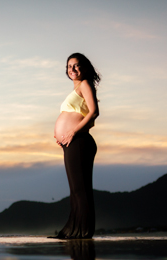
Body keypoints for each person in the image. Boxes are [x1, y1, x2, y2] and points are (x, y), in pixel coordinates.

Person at [53, 53, 101, 239]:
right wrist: (61, 134)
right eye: (69, 66)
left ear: (85, 67)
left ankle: (83, 231)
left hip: (79, 141)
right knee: (75, 190)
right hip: (71, 143)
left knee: (81, 189)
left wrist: (72, 131)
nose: (72, 69)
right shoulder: (76, 90)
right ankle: (73, 230)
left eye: (77, 65)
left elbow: (94, 112)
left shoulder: (85, 84)